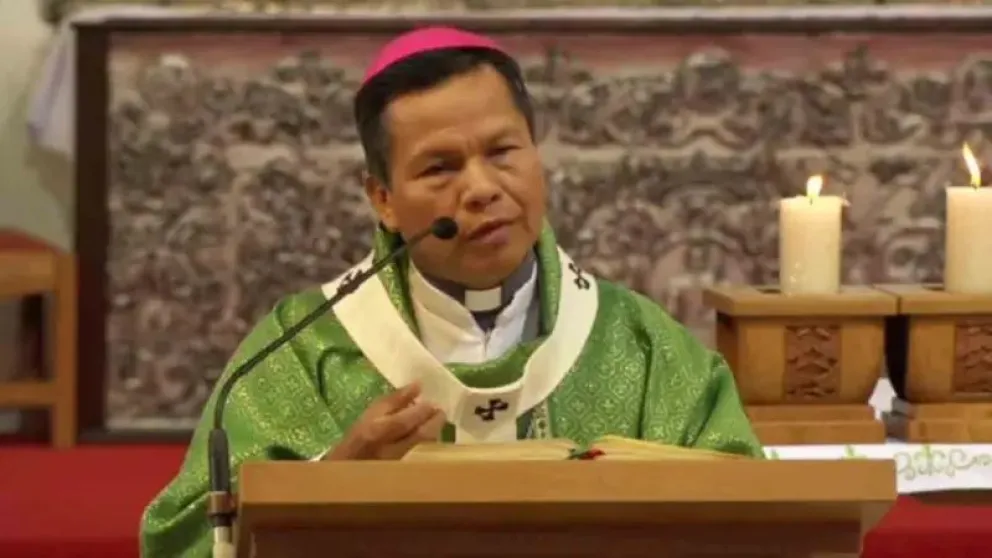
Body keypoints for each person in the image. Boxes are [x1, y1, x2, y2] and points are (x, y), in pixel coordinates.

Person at [140, 26, 762, 557]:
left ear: (537, 154)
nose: (482, 188)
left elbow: (752, 513)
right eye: (440, 167)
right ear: (382, 199)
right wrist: (332, 484)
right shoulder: (304, 351)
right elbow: (189, 537)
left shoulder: (641, 345)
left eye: (502, 152)